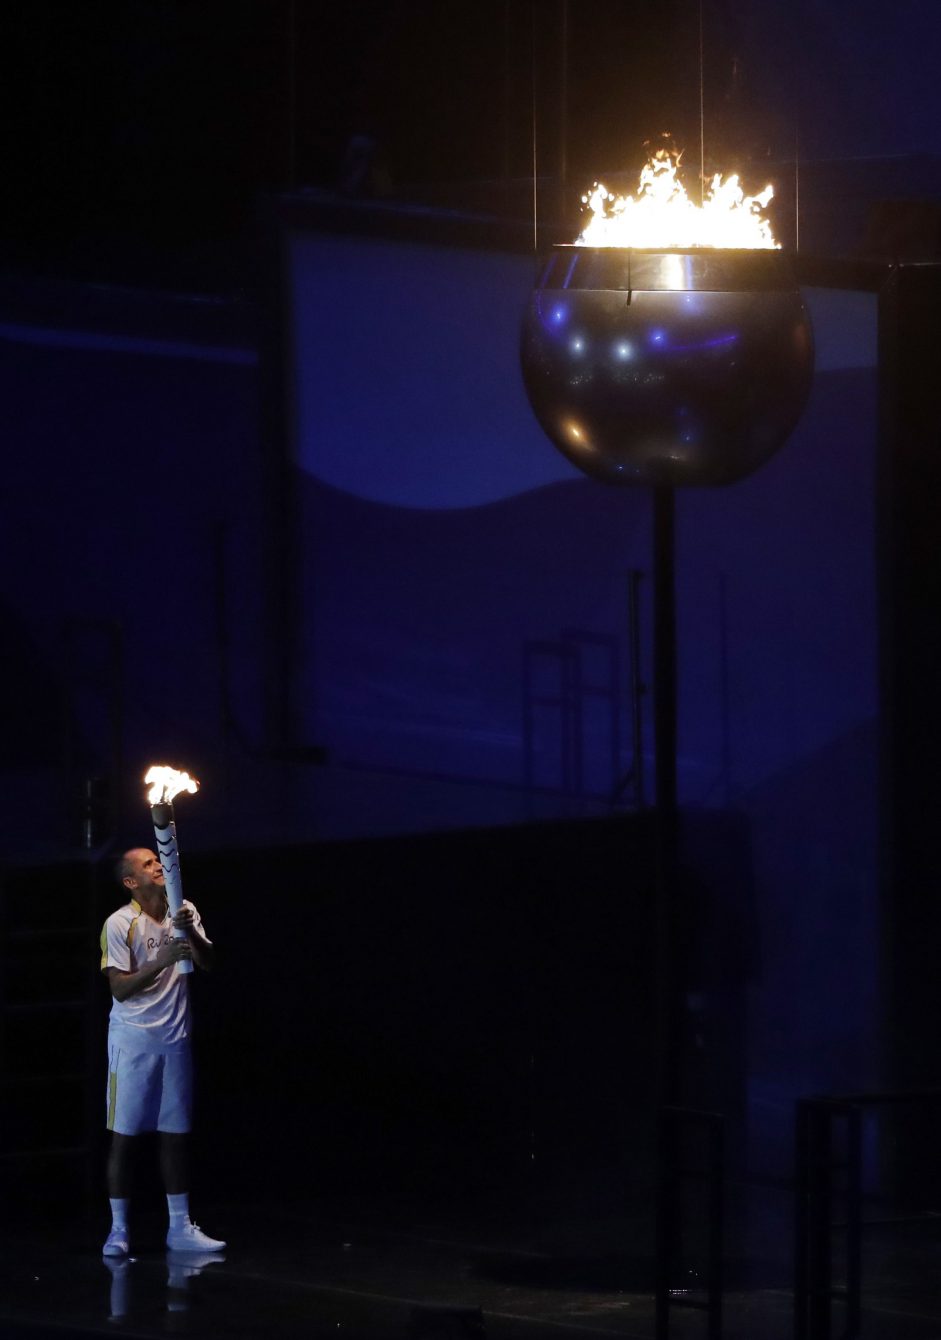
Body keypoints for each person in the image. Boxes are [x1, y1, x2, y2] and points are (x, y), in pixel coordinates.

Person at [99, 847, 225, 1256]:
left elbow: (207, 964)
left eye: (158, 859)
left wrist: (192, 935)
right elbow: (119, 987)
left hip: (176, 1040)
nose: (157, 864)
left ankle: (179, 1228)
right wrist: (163, 959)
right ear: (131, 882)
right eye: (147, 864)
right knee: (125, 1139)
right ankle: (118, 1230)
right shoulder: (119, 923)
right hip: (132, 1043)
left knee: (174, 1137)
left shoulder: (182, 908)